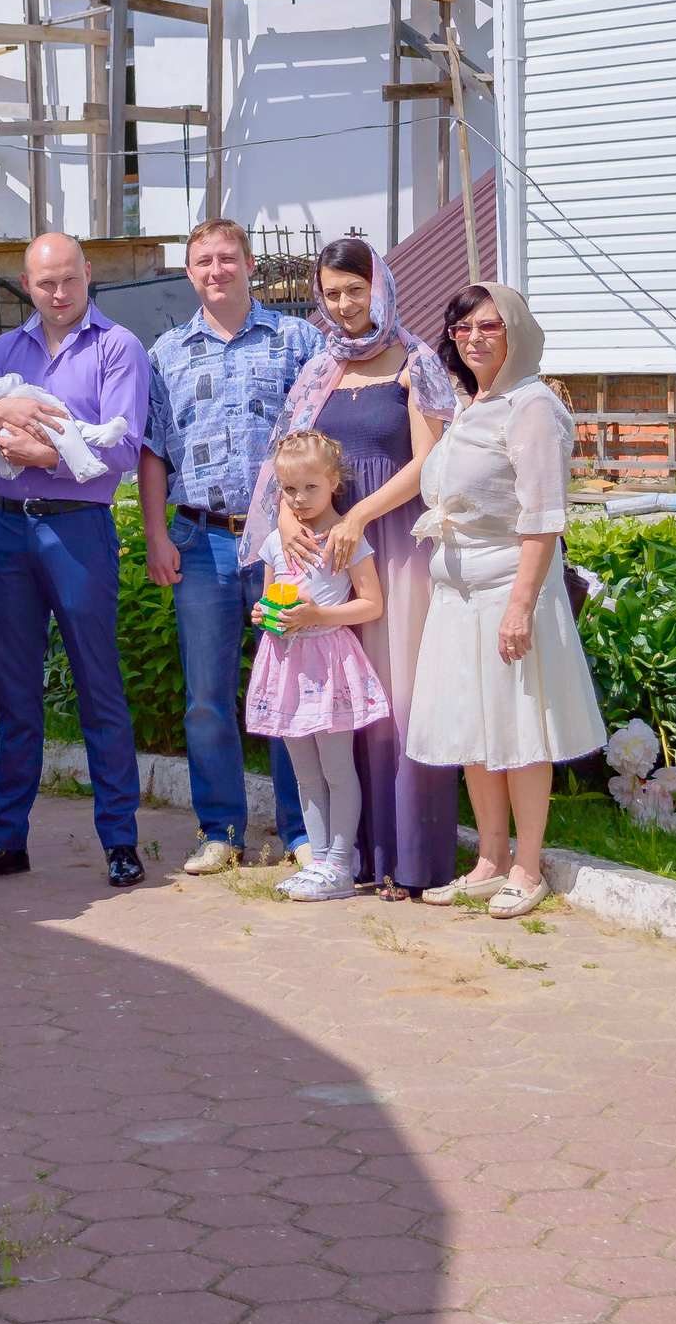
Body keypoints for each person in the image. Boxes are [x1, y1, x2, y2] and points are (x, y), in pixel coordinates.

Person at [0, 232, 151, 888]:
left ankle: (119, 840)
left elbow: (124, 448)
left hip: (76, 530)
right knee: (14, 689)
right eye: (43, 283)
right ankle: (7, 840)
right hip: (6, 530)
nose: (57, 294)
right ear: (26, 284)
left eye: (68, 280)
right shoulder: (6, 349)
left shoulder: (118, 347)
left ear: (87, 274)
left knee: (97, 684)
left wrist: (51, 457)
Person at [256, 238, 462, 897]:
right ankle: (346, 856)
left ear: (381, 285)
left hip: (392, 549)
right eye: (332, 293)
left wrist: (357, 517)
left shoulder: (416, 360)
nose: (344, 304)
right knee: (340, 703)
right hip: (325, 558)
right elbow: (285, 460)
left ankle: (410, 858)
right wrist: (289, 522)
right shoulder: (319, 368)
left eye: (355, 288)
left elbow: (428, 463)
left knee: (396, 699)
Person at [408, 281, 606, 921]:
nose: (473, 338)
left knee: (520, 730)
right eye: (463, 327)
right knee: (472, 725)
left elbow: (544, 516)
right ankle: (489, 861)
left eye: (489, 326)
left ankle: (527, 864)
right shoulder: (474, 405)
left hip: (507, 588)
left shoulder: (533, 406)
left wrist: (521, 605)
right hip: (457, 593)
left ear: (516, 332)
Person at [138, 217, 319, 872]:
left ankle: (302, 831)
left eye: (226, 258)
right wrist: (156, 534)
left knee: (289, 686)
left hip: (282, 542)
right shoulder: (165, 355)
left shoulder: (297, 340)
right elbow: (153, 452)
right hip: (201, 541)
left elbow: (321, 439)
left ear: (249, 265)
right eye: (201, 261)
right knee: (207, 697)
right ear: (189, 273)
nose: (215, 269)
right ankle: (220, 830)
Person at [244, 428, 392, 899]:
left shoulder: (347, 540)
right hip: (286, 666)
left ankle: (342, 864)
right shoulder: (275, 544)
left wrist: (317, 616)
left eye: (311, 487)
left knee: (336, 768)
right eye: (290, 489)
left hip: (329, 666)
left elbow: (372, 605)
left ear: (334, 482)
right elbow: (270, 598)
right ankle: (319, 858)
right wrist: (265, 614)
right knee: (304, 773)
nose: (300, 498)